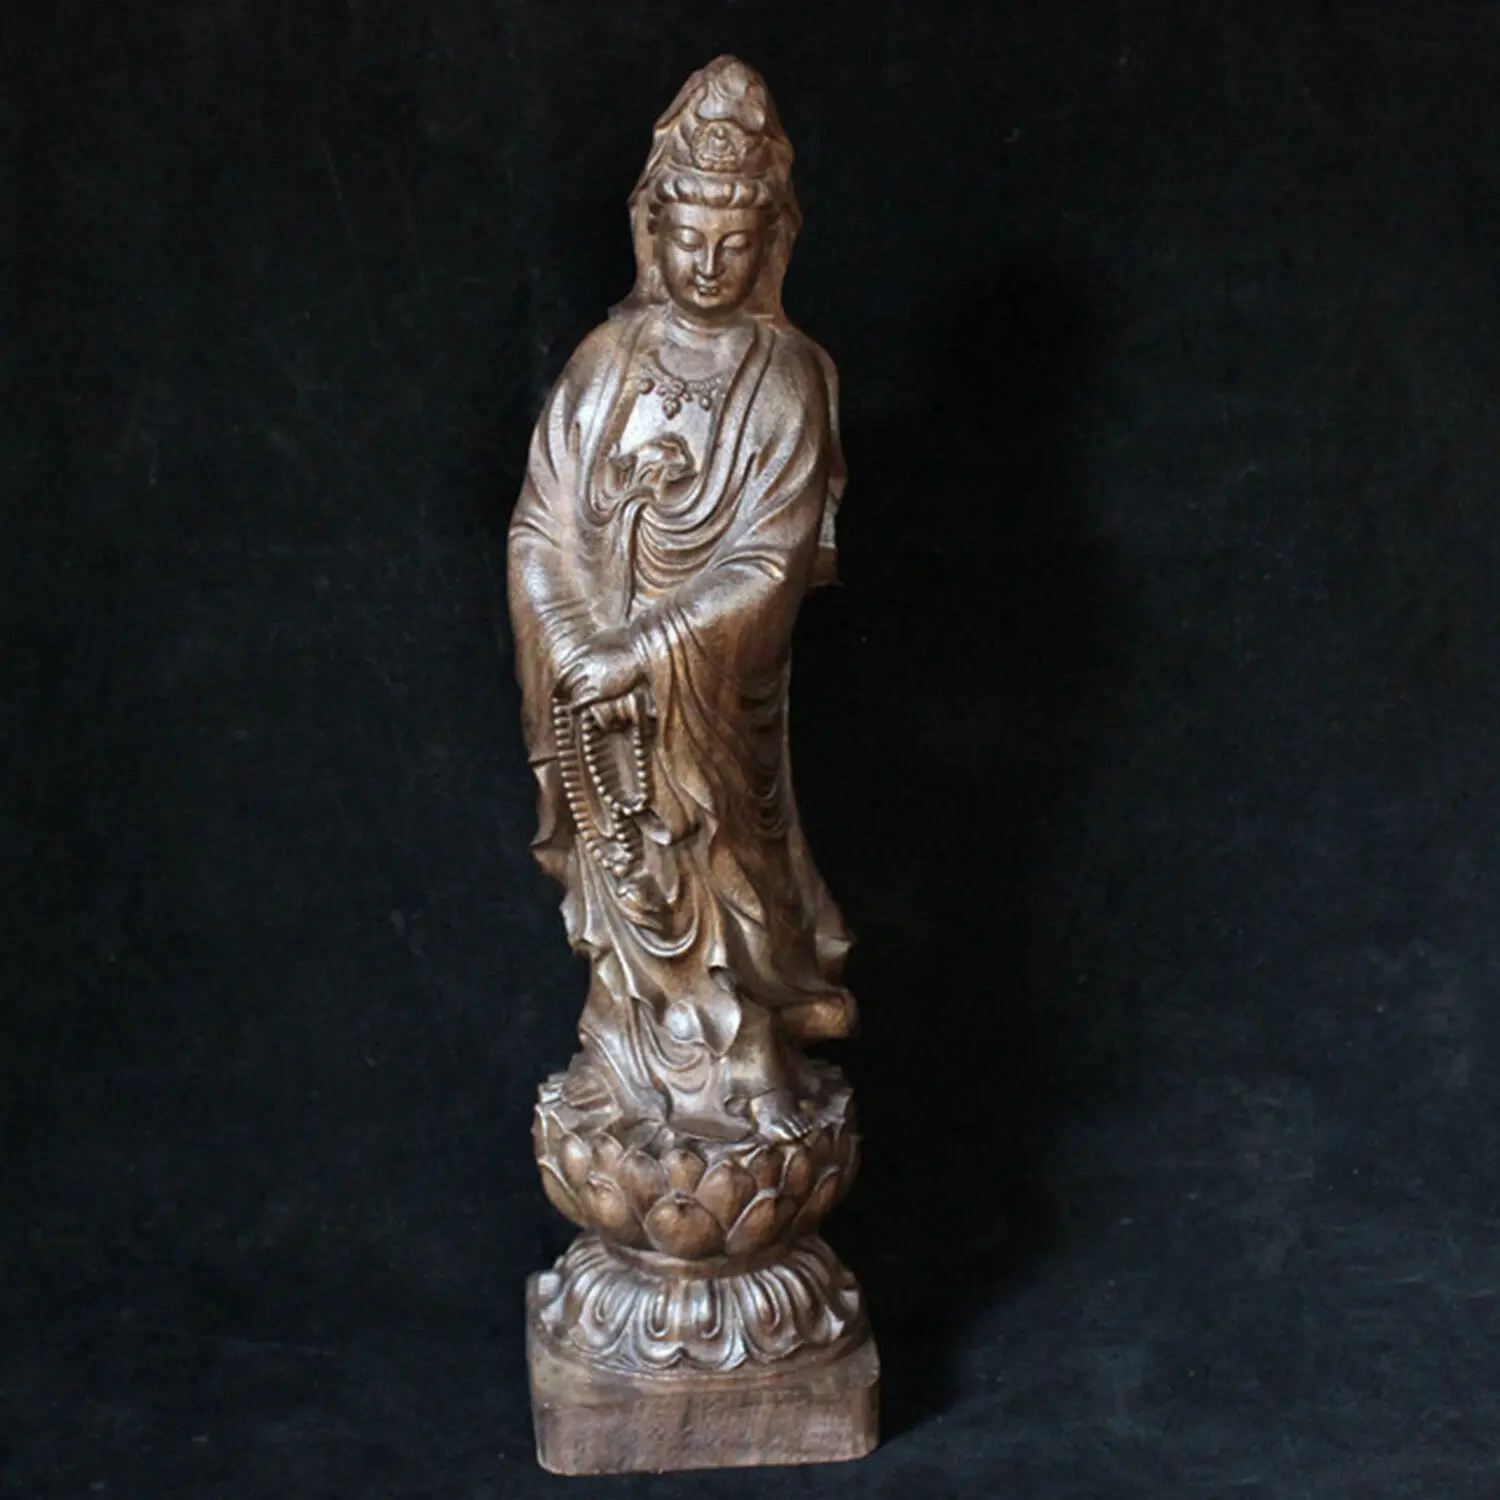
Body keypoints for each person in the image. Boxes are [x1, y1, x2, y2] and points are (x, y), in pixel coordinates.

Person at [509, 56, 854, 1142]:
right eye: (687, 238)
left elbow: (768, 565)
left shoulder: (784, 379)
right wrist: (574, 641)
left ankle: (743, 1053)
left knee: (722, 865)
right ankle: (627, 1049)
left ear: (770, 243)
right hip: (595, 696)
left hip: (704, 702)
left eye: (732, 244)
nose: (706, 264)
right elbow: (538, 527)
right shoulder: (606, 362)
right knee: (620, 872)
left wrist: (643, 651)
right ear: (650, 232)